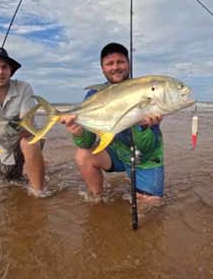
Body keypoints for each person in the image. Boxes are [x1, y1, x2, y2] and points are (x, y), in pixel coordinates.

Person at [63, 42, 165, 204]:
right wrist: (79, 133)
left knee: (152, 204)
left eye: (120, 62)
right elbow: (87, 141)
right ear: (102, 68)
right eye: (109, 63)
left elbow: (148, 147)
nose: (115, 67)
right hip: (116, 152)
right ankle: (97, 198)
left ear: (128, 64)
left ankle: (139, 181)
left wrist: (143, 127)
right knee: (83, 155)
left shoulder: (144, 90)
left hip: (145, 158)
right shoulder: (94, 94)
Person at [0, 46, 48, 197]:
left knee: (29, 142)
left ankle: (39, 193)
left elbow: (27, 125)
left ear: (10, 70)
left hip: (24, 138)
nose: (0, 72)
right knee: (9, 181)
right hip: (1, 147)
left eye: (4, 67)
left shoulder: (24, 87)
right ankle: (29, 167)